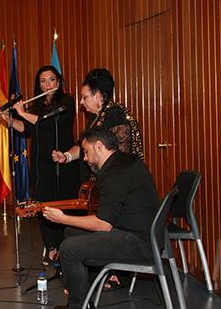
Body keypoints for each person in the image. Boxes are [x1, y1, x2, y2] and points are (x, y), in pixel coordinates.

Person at [43, 127, 159, 309]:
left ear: (99, 146)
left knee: (68, 249)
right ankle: (86, 293)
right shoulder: (125, 160)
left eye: (87, 152)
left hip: (140, 242)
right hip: (144, 233)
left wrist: (62, 218)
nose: (85, 158)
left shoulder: (114, 173)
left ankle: (77, 305)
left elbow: (103, 224)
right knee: (71, 232)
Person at [52, 68, 144, 289]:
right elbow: (83, 145)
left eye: (85, 97)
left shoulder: (115, 115)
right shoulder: (97, 118)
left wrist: (63, 217)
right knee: (81, 229)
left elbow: (118, 154)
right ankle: (103, 271)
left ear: (99, 96)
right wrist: (66, 156)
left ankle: (113, 273)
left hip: (120, 189)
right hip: (107, 186)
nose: (82, 102)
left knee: (107, 222)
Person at [3, 65, 80, 265]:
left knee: (63, 204)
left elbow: (47, 122)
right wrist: (10, 120)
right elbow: (27, 128)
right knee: (43, 205)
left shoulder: (66, 102)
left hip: (62, 161)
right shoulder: (37, 107)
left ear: (59, 82)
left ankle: (67, 246)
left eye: (51, 80)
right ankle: (52, 247)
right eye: (43, 81)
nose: (47, 84)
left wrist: (21, 111)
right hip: (41, 163)